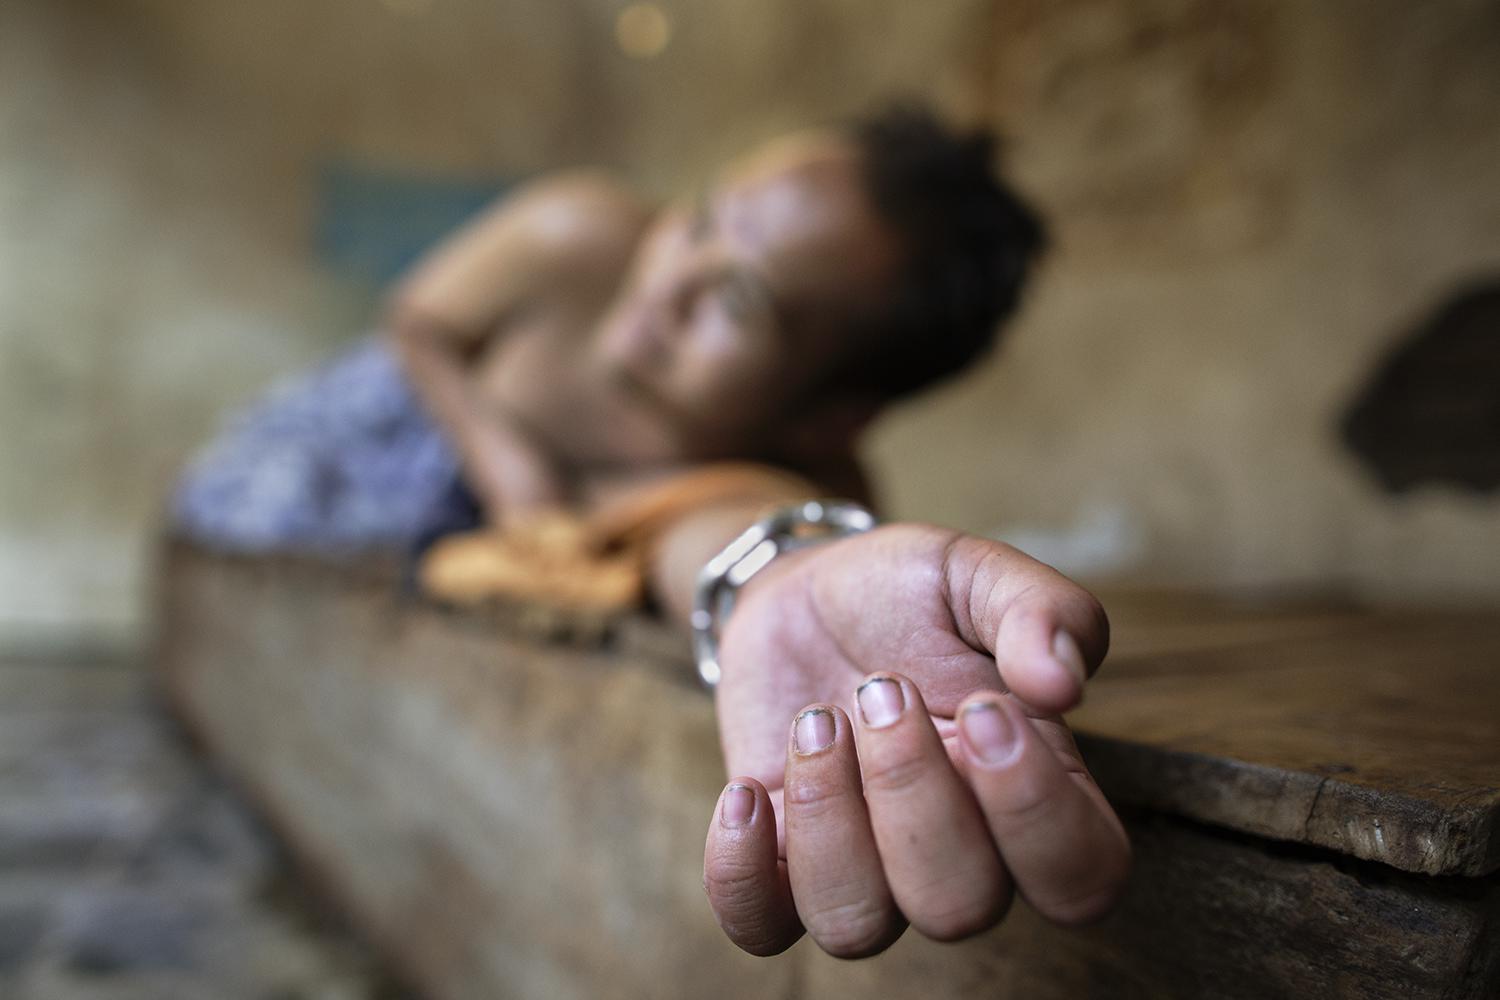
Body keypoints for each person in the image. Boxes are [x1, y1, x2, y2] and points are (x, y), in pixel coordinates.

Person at [174, 106, 1130, 957]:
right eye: (704, 217)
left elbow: (753, 528)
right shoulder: (576, 229)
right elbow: (418, 323)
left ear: (827, 418)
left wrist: (789, 574)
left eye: (739, 301)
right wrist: (506, 462)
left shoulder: (800, 474)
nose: (670, 282)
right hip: (391, 426)